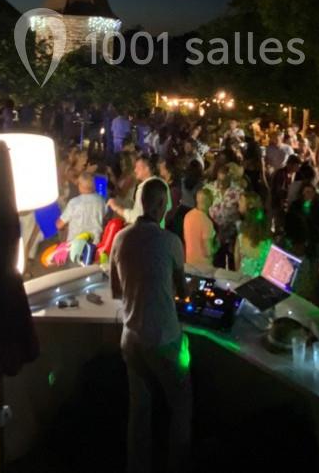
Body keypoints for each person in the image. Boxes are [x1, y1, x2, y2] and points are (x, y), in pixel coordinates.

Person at [110, 179, 191, 473]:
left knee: (139, 411)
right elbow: (183, 292)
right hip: (165, 339)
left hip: (131, 339)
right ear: (160, 205)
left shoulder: (120, 238)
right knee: (180, 407)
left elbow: (116, 291)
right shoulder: (171, 242)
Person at [57, 173, 107, 264]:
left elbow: (59, 225)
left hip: (75, 246)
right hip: (94, 245)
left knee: (74, 274)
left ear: (81, 186)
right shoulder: (101, 201)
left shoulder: (74, 203)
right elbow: (104, 217)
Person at [234, 192, 271, 276]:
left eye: (241, 200)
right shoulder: (264, 229)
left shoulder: (243, 233)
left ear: (250, 205)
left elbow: (237, 258)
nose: (238, 202)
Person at [183, 187, 217, 267]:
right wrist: (217, 246)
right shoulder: (206, 222)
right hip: (204, 268)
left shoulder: (187, 216)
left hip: (189, 263)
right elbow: (208, 252)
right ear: (210, 202)